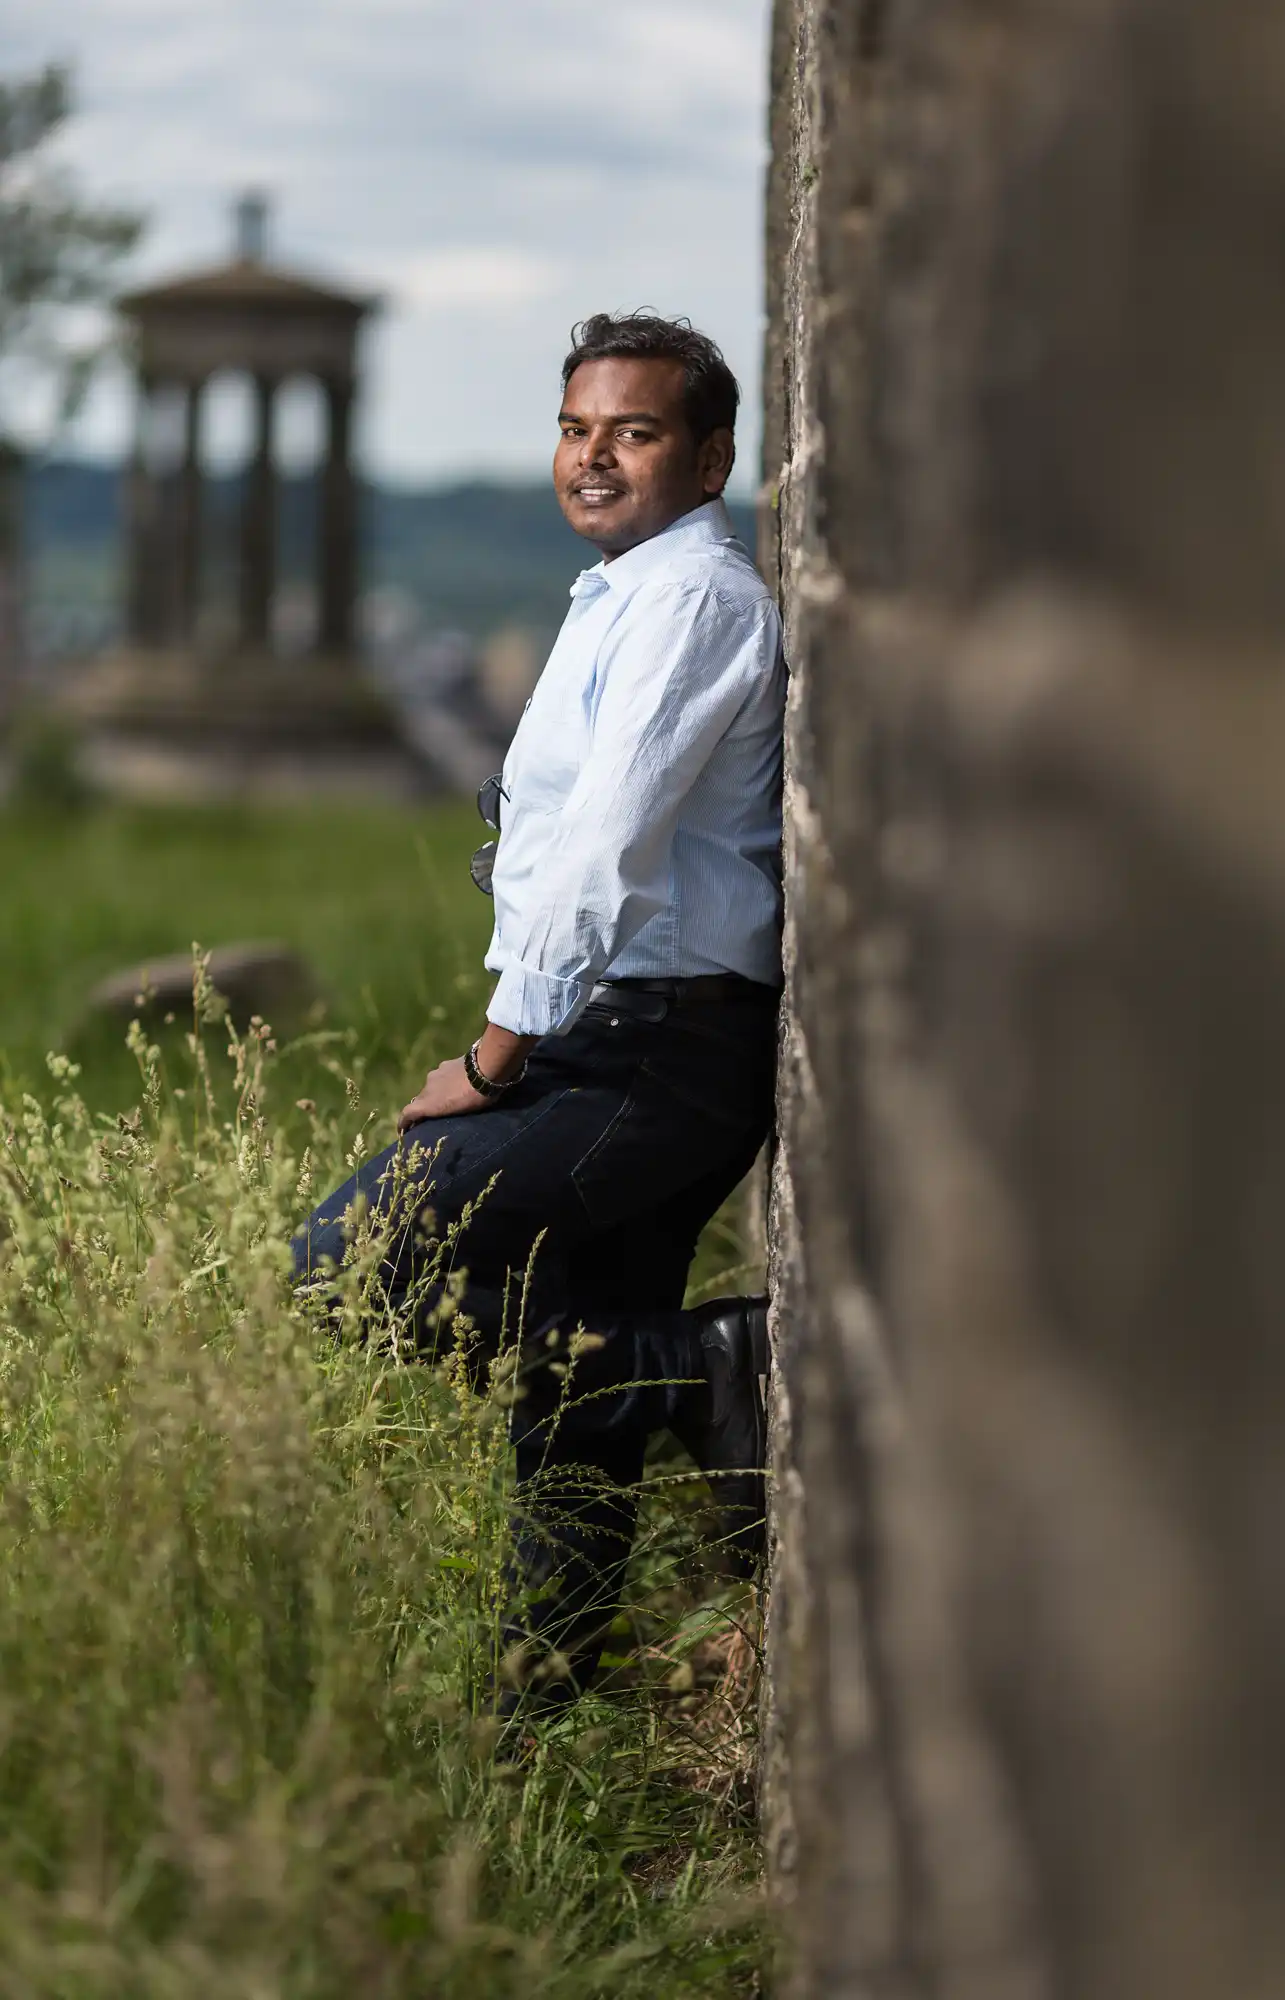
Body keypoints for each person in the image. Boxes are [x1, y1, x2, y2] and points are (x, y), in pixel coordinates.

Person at [293, 311, 785, 1712]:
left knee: (349, 1259)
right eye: (578, 430)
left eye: (632, 432)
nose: (595, 457)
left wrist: (496, 1050)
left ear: (708, 458)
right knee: (567, 1400)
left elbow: (605, 846)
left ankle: (700, 1368)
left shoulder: (693, 603)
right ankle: (547, 1708)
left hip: (654, 1044)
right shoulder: (623, 593)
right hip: (636, 1031)